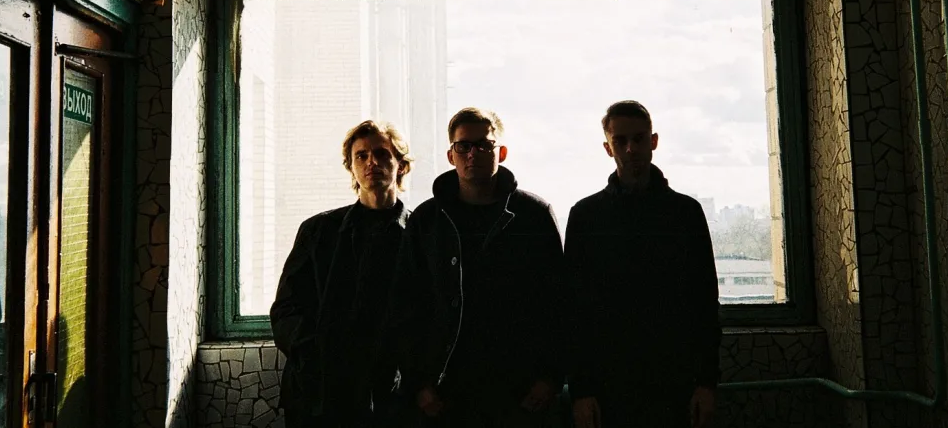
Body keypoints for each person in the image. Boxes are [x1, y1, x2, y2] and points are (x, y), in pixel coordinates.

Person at [390, 107, 564, 428]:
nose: (473, 153)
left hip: (519, 388)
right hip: (445, 390)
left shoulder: (534, 215)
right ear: (451, 155)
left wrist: (550, 377)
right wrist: (418, 383)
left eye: (484, 145)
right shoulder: (427, 220)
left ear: (502, 152)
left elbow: (558, 301)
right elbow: (407, 304)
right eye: (464, 146)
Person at [565, 100, 721, 428]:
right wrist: (582, 389)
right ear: (608, 148)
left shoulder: (685, 214)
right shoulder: (586, 217)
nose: (630, 148)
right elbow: (575, 308)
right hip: (610, 385)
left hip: (674, 381)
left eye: (638, 139)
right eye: (620, 140)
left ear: (653, 141)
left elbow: (705, 301)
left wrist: (707, 383)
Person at [271, 120, 414, 428]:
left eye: (382, 153)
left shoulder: (419, 235)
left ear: (401, 165)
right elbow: (285, 310)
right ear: (351, 166)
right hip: (319, 394)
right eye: (361, 156)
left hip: (392, 395)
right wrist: (316, 356)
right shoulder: (318, 231)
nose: (371, 162)